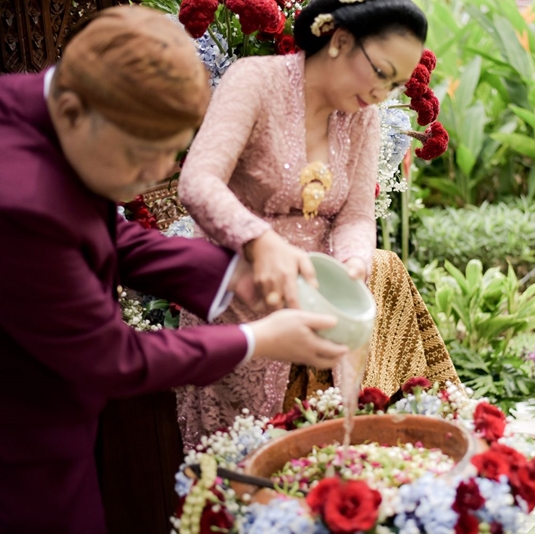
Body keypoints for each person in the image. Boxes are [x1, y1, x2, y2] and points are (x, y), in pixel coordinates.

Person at [0, 7, 350, 533]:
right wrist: (258, 338)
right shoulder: (20, 201)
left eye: (173, 152)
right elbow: (112, 357)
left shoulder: (42, 106)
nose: (157, 174)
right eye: (145, 155)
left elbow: (104, 234)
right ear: (72, 110)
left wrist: (235, 274)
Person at [175, 0, 459, 447]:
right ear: (340, 40)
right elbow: (198, 181)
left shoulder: (364, 116)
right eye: (380, 72)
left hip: (322, 297)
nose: (382, 93)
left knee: (321, 454)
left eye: (395, 84)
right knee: (244, 456)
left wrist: (354, 263)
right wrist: (259, 241)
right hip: (241, 288)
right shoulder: (255, 80)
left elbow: (356, 215)